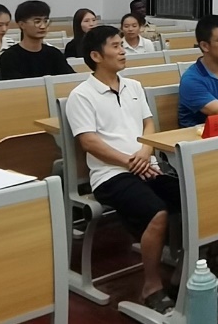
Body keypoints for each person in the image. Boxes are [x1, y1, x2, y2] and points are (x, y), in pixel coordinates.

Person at [65, 25, 178, 313]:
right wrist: (130, 162)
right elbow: (89, 142)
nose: (122, 51)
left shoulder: (134, 86)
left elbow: (148, 124)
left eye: (121, 45)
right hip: (110, 176)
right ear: (96, 56)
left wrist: (145, 152)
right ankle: (151, 286)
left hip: (146, 165)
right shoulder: (81, 95)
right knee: (156, 213)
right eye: (115, 46)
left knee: (189, 197)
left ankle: (184, 267)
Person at [0, 0, 73, 80]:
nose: (43, 26)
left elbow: (71, 79)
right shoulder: (9, 57)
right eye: (37, 22)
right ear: (22, 24)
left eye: (45, 21)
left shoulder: (54, 54)